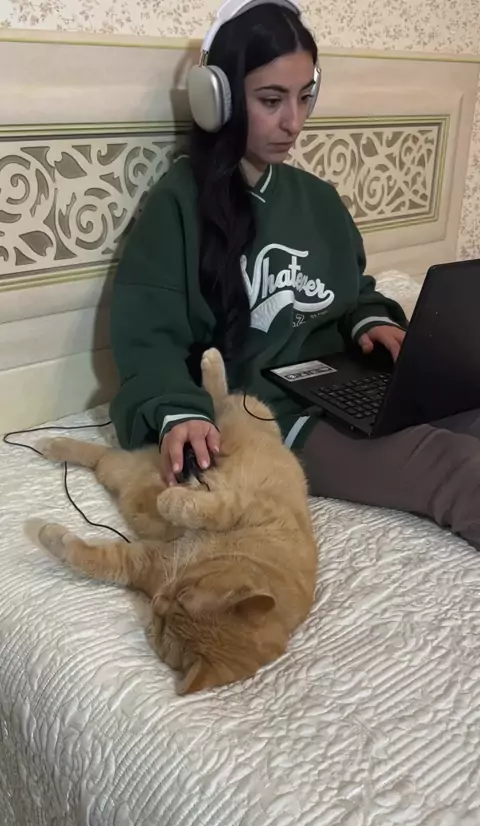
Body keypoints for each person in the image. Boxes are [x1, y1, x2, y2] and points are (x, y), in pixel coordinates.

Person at [109, 0, 480, 550]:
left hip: (346, 383)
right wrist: (176, 411)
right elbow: (148, 341)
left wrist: (372, 323)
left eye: (305, 96)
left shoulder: (319, 200)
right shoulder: (178, 206)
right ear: (219, 98)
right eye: (271, 100)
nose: (294, 122)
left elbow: (352, 292)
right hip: (273, 416)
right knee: (456, 468)